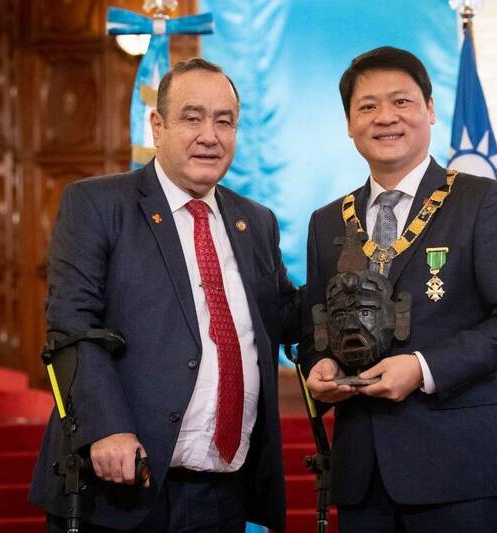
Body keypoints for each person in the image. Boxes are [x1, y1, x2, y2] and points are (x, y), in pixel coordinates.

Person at [29, 58, 298, 532]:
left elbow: (286, 316)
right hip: (123, 485)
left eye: (224, 121)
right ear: (158, 126)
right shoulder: (97, 204)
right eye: (192, 118)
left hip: (224, 492)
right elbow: (72, 324)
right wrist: (106, 426)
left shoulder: (256, 222)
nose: (209, 136)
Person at [300, 46, 497, 532]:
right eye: (367, 106)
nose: (385, 118)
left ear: (430, 110)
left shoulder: (481, 201)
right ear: (349, 123)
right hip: (362, 478)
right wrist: (320, 366)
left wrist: (422, 368)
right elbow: (316, 329)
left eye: (402, 102)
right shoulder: (326, 220)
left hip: (463, 475)